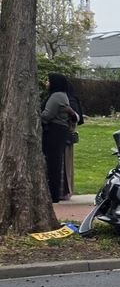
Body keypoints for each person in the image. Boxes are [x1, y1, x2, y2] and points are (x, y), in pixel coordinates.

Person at [39, 73, 73, 202]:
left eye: (48, 80)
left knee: (53, 162)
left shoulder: (57, 96)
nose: (46, 83)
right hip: (58, 131)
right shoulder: (58, 95)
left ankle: (53, 194)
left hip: (55, 131)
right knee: (53, 161)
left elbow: (47, 115)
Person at [62, 81, 85, 200]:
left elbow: (76, 118)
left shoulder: (70, 101)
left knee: (66, 162)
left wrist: (70, 111)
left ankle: (66, 190)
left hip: (66, 136)